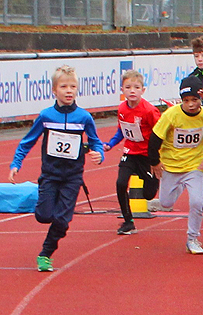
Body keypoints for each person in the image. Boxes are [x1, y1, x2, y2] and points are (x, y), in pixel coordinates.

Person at [9, 65, 105, 271]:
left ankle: (45, 254)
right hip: (50, 174)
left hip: (73, 176)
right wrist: (16, 163)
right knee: (44, 216)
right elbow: (27, 142)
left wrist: (99, 154)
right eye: (63, 86)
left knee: (62, 220)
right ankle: (46, 202)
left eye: (73, 86)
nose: (69, 91)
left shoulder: (83, 117)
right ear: (54, 90)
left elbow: (95, 142)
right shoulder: (46, 116)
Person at [149, 76, 203, 255]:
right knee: (166, 204)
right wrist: (155, 162)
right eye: (186, 101)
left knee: (197, 202)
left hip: (194, 166)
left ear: (200, 100)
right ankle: (178, 187)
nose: (191, 104)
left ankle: (193, 238)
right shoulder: (171, 115)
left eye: (195, 100)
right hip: (171, 166)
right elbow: (154, 139)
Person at [103, 70, 161, 235]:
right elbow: (121, 131)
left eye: (136, 87)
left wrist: (157, 156)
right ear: (122, 90)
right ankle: (128, 221)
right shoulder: (122, 108)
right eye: (128, 87)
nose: (132, 91)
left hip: (147, 155)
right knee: (121, 184)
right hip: (130, 152)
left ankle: (154, 181)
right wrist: (111, 144)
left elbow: (161, 132)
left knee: (149, 195)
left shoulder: (150, 111)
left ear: (143, 90)